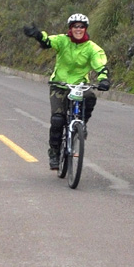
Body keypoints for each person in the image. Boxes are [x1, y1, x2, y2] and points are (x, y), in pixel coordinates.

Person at [23, 14, 111, 170]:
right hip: (60, 85)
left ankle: (82, 124)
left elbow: (100, 66)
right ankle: (54, 153)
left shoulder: (92, 48)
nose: (78, 29)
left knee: (90, 96)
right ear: (70, 28)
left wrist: (104, 79)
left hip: (79, 86)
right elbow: (48, 41)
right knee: (58, 119)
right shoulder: (63, 40)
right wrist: (38, 35)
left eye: (81, 26)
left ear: (86, 29)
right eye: (75, 26)